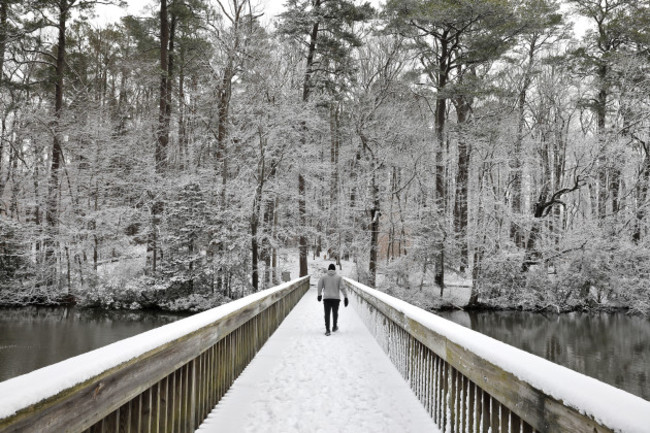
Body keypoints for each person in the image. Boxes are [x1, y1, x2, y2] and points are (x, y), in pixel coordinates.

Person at [317, 263, 349, 336]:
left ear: (328, 269)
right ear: (334, 269)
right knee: (335, 313)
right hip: (336, 299)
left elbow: (319, 286)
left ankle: (327, 330)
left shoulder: (323, 277)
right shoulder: (339, 277)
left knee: (327, 314)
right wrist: (346, 297)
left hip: (327, 298)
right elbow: (343, 287)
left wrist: (319, 295)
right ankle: (334, 327)